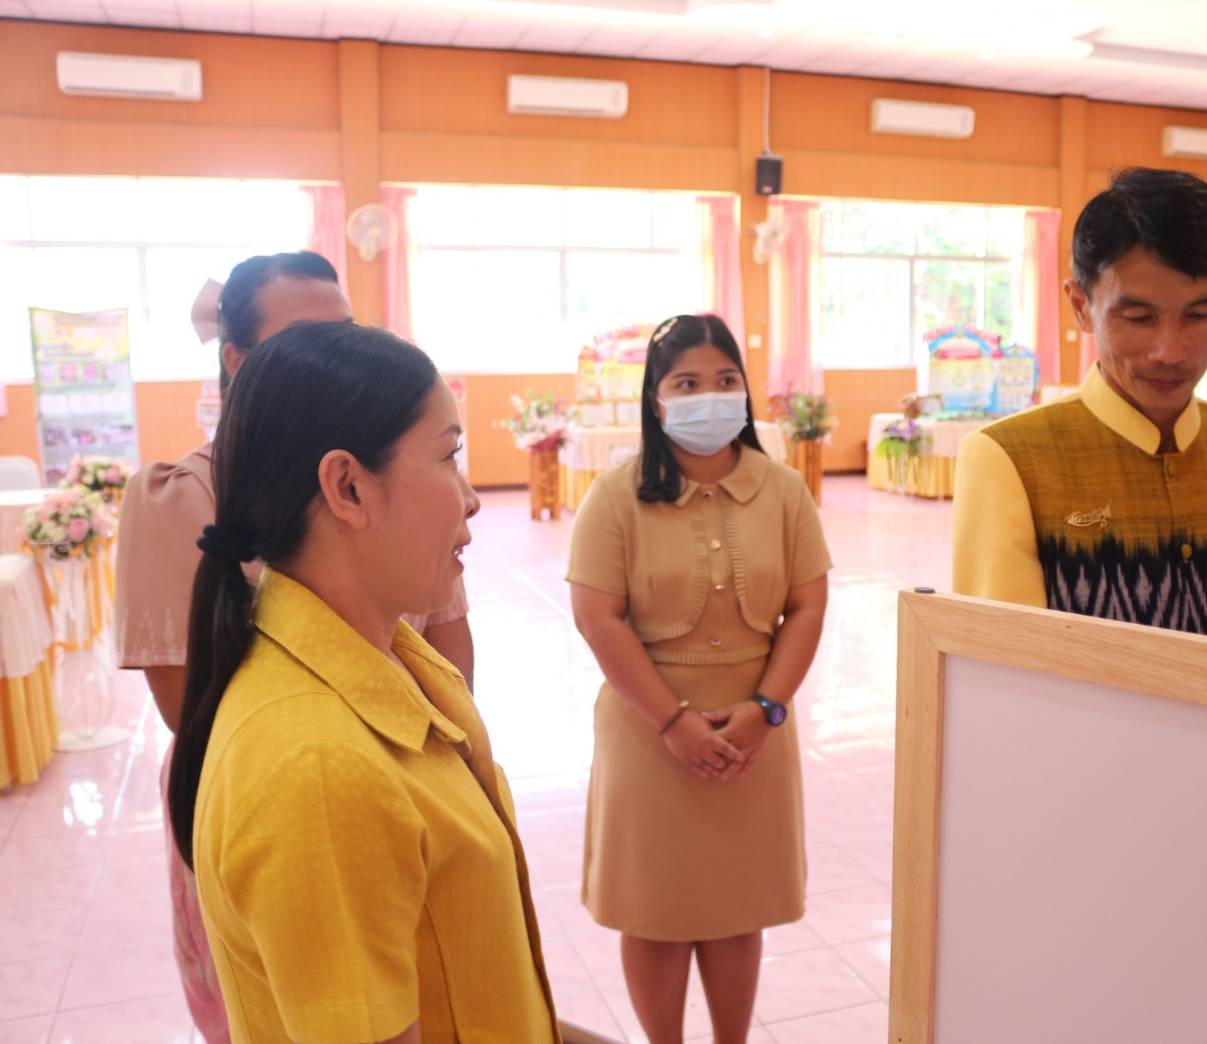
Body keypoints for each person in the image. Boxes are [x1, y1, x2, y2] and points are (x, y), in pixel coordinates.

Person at [114, 251, 476, 1041]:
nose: (335, 359)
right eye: (305, 340)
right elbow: (191, 711)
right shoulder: (183, 497)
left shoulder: (402, 502)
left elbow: (449, 653)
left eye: (346, 332)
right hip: (302, 801)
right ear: (236, 360)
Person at [165, 321, 558, 1043]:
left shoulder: (391, 657)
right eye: (449, 456)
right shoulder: (317, 765)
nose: (471, 498)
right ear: (347, 486)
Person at [567, 314, 830, 1044]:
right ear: (656, 400)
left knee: (736, 907)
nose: (709, 397)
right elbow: (597, 618)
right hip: (647, 731)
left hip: (754, 732)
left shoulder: (785, 491)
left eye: (725, 380)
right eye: (686, 384)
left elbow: (808, 606)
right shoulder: (615, 496)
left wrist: (766, 709)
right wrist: (673, 723)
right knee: (654, 910)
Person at [952, 167, 1207, 643]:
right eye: (1139, 317)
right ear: (1081, 305)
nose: (1171, 352)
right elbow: (1004, 666)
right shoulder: (1011, 459)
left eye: (1200, 314)